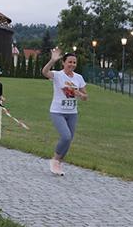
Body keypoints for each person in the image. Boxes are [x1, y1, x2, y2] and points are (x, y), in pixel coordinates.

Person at [42, 47, 88, 176]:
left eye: (74, 62)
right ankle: (55, 160)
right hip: (57, 111)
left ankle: (59, 162)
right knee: (66, 136)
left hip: (72, 113)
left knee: (69, 139)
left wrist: (79, 93)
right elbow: (45, 72)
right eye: (70, 62)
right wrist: (52, 60)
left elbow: (85, 97)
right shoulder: (58, 75)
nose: (72, 65)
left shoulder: (79, 78)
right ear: (63, 62)